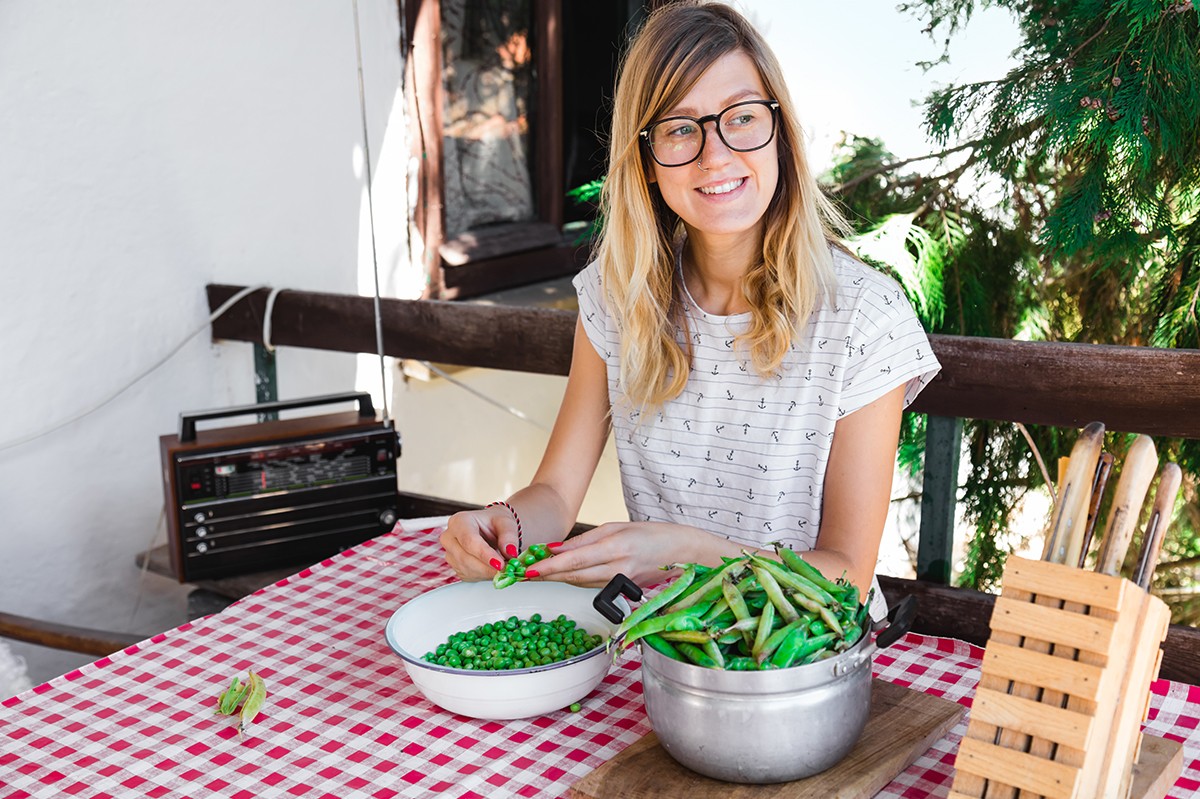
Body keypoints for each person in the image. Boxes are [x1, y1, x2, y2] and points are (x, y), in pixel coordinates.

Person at [439, 0, 940, 616]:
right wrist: (501, 521)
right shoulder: (616, 295)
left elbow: (847, 578)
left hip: (811, 666)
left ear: (779, 130)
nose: (716, 155)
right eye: (680, 128)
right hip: (670, 647)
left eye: (742, 118)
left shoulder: (863, 316)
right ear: (646, 161)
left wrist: (680, 551)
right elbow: (554, 494)